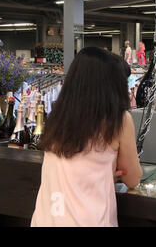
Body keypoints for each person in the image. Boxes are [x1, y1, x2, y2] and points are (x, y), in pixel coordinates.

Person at [31, 47, 142, 227]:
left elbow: (76, 166)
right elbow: (133, 179)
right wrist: (110, 173)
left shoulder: (58, 116)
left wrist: (103, 173)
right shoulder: (119, 120)